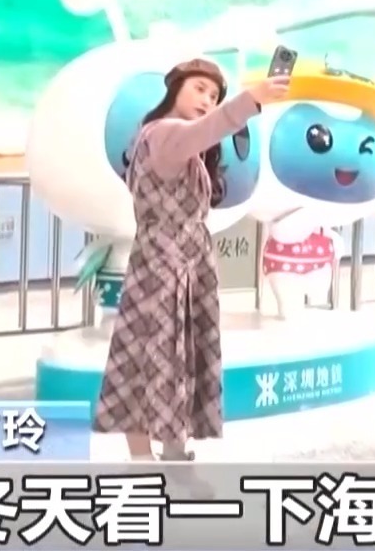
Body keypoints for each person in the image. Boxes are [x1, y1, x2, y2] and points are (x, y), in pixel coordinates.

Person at [94, 58, 289, 461]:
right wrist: (250, 100)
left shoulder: (178, 142)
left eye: (213, 95)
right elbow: (207, 129)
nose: (206, 100)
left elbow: (203, 135)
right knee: (150, 356)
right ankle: (143, 460)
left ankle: (172, 454)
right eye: (198, 89)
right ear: (175, 89)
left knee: (173, 356)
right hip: (163, 265)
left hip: (181, 262)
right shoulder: (164, 134)